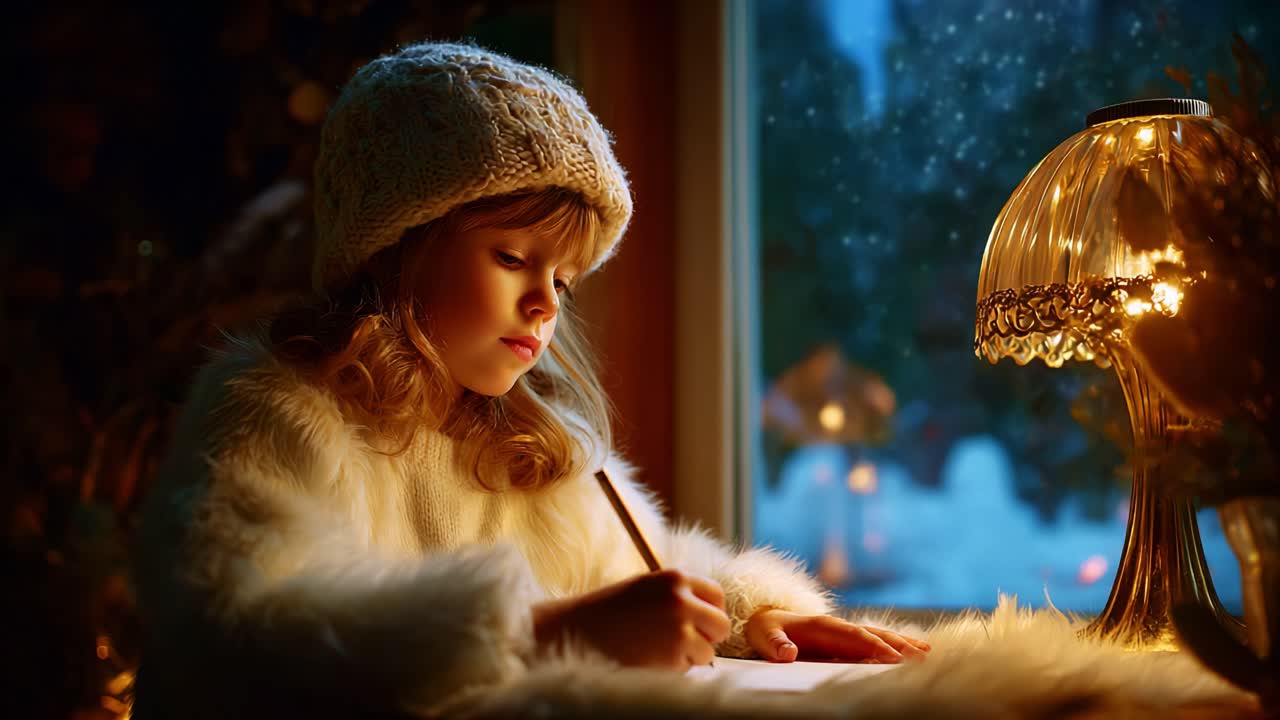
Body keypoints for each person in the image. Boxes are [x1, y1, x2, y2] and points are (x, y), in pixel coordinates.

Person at [134, 41, 929, 718]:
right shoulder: (281, 415)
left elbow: (636, 581)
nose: (545, 301)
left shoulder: (536, 452)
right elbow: (233, 644)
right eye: (513, 257)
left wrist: (742, 617)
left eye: (567, 278)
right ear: (394, 247)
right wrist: (541, 637)